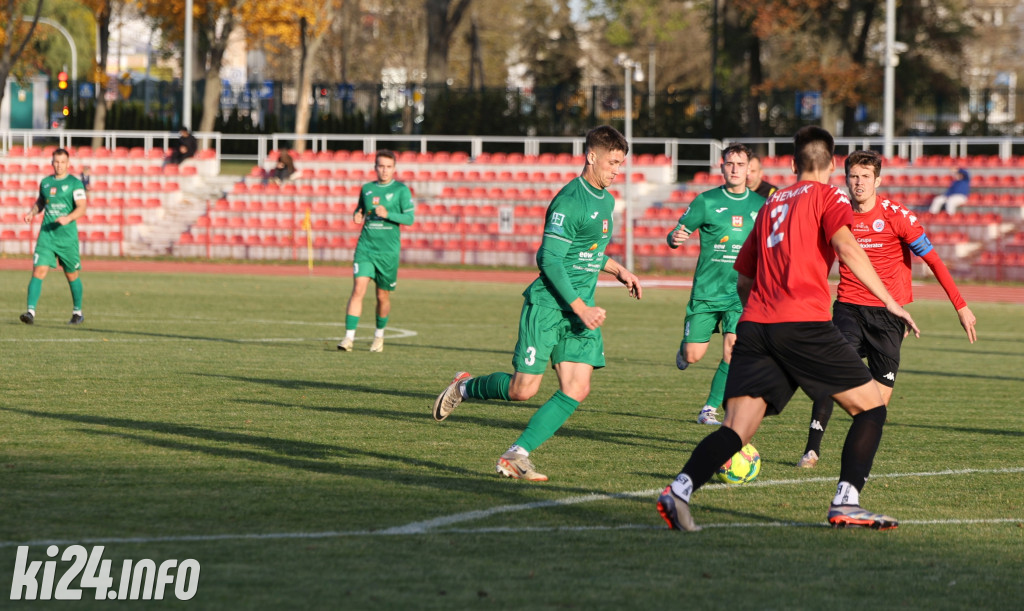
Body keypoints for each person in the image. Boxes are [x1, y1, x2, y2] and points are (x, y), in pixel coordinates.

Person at [656, 126, 920, 532]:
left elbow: (744, 278)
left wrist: (758, 319)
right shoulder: (830, 195)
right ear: (833, 165)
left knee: (737, 429)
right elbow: (847, 246)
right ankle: (846, 501)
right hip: (803, 323)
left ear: (793, 164)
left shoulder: (770, 203)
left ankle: (679, 490)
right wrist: (889, 300)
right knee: (871, 407)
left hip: (756, 325)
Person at [431, 125, 643, 482]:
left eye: (621, 164)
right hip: (549, 306)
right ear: (591, 157)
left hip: (579, 310)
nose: (617, 171)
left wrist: (617, 268)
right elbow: (549, 259)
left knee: (577, 388)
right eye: (613, 163)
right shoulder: (569, 200)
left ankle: (517, 454)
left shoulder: (606, 200)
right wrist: (580, 306)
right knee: (522, 390)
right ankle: (463, 387)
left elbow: (587, 250)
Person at [797, 150, 977, 468]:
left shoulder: (897, 217)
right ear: (846, 179)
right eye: (853, 176)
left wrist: (960, 306)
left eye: (866, 177)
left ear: (877, 180)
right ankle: (812, 450)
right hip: (849, 307)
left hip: (890, 318)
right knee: (829, 369)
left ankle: (855, 464)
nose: (859, 182)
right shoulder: (835, 215)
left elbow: (933, 260)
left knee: (877, 406)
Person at [667, 143, 765, 425]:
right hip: (707, 292)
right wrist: (675, 238)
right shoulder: (706, 201)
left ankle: (709, 409)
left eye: (740, 164)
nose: (735, 169)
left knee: (733, 352)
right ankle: (685, 347)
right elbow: (676, 232)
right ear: (722, 167)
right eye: (730, 164)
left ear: (749, 169)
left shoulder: (761, 205)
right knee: (693, 355)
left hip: (741, 293)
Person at [337, 150, 415, 353]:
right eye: (381, 166)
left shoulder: (401, 190)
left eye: (388, 166)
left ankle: (379, 336)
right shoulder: (367, 189)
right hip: (366, 247)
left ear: (394, 169)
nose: (384, 170)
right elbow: (360, 210)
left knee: (382, 297)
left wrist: (389, 214)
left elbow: (409, 218)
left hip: (388, 252)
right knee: (357, 290)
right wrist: (357, 215)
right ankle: (348, 338)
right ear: (375, 167)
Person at [20, 148, 88, 325]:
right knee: (38, 270)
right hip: (47, 236)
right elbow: (41, 202)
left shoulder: (75, 183)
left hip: (67, 238)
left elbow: (82, 207)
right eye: (56, 162)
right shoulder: (45, 183)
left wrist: (68, 218)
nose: (59, 165)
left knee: (71, 275)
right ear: (52, 163)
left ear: (68, 163)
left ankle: (77, 312)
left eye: (62, 162)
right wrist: (32, 213)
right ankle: (30, 312)